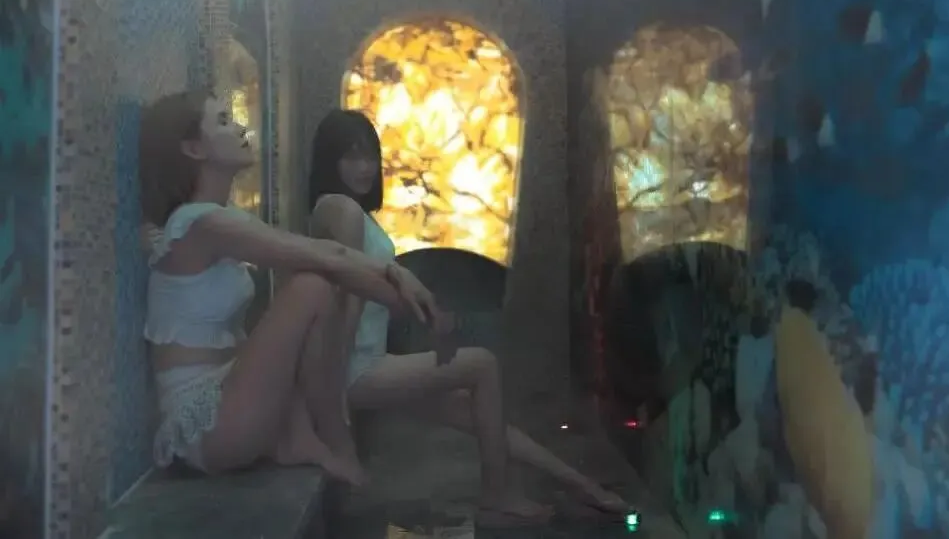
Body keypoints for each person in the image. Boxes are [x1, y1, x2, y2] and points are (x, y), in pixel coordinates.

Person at [307, 108, 632, 528]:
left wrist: (412, 297)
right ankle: (497, 497)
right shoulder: (341, 210)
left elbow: (365, 284)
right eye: (351, 156)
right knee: (482, 365)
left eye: (369, 155)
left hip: (363, 364)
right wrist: (334, 409)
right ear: (328, 160)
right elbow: (346, 299)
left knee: (478, 411)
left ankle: (584, 487)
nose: (364, 167)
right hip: (354, 370)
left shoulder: (348, 212)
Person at [138, 89, 449, 486]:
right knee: (311, 287)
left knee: (313, 285)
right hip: (206, 425)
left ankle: (301, 439)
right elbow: (324, 255)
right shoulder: (201, 224)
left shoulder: (218, 218)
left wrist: (395, 277)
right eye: (223, 122)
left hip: (235, 397)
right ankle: (337, 440)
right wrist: (398, 284)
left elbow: (323, 253)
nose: (241, 128)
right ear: (194, 149)